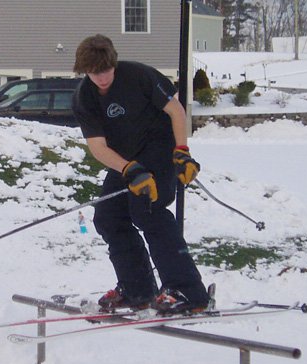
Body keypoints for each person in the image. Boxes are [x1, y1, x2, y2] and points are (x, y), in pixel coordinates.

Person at [71, 34, 210, 314]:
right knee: (108, 217)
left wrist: (181, 151)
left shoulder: (140, 76)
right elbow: (97, 147)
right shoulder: (84, 97)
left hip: (159, 150)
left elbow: (176, 111)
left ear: (114, 63)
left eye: (106, 70)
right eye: (94, 73)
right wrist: (127, 168)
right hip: (126, 159)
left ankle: (188, 290)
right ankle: (137, 288)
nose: (102, 77)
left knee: (147, 210)